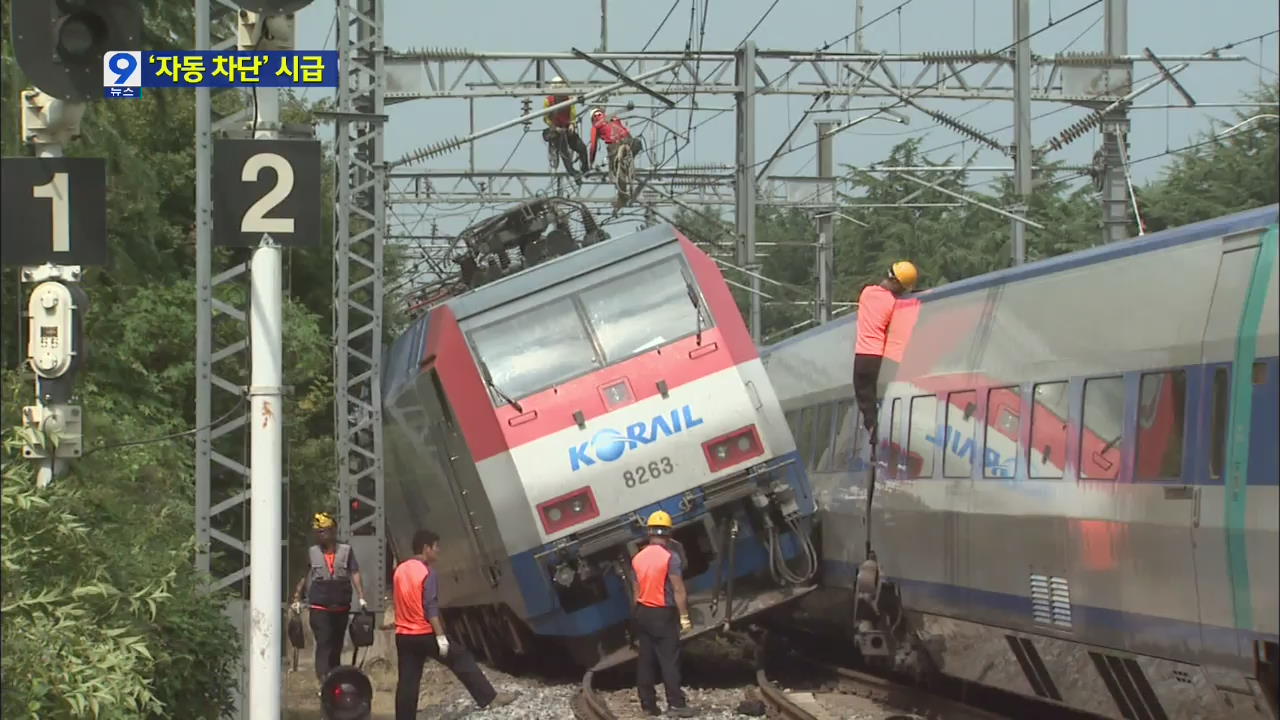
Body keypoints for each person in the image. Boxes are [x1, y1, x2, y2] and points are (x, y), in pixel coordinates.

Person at [392, 529, 516, 720]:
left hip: (403, 635)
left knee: (408, 682)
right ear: (426, 548)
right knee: (461, 658)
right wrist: (441, 636)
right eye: (436, 547)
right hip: (425, 632)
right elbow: (430, 607)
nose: (438, 551)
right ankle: (490, 698)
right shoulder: (427, 572)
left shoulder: (400, 570)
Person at [631, 511, 697, 718]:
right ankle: (676, 704)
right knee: (669, 659)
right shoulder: (671, 557)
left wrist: (637, 616)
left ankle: (648, 706)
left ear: (649, 532)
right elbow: (679, 590)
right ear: (669, 533)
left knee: (646, 659)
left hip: (643, 612)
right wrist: (684, 617)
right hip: (663, 614)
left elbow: (636, 593)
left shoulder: (638, 558)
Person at [291, 511, 368, 688]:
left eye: (323, 531)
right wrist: (297, 597)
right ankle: (323, 680)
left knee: (336, 644)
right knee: (324, 642)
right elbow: (304, 576)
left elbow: (354, 573)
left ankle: (335, 678)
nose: (319, 536)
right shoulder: (312, 553)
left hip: (340, 607)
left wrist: (362, 597)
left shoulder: (346, 551)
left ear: (333, 531)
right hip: (320, 608)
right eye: (317, 532)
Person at [852, 261, 918, 443]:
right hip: (888, 360)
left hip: (865, 356)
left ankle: (874, 434)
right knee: (886, 399)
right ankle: (890, 433)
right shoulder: (896, 303)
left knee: (865, 398)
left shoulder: (867, 293)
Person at [543, 76, 589, 175]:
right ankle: (572, 171)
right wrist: (555, 128)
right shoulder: (548, 101)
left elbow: (573, 113)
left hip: (567, 128)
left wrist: (572, 124)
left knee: (582, 148)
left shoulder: (569, 99)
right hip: (556, 130)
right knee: (564, 152)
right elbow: (546, 118)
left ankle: (585, 169)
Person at [587, 106, 637, 182]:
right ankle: (628, 163)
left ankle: (614, 177)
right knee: (637, 145)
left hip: (614, 145)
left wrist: (591, 161)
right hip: (629, 140)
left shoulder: (595, 126)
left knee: (613, 167)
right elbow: (624, 128)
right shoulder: (613, 117)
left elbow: (593, 147)